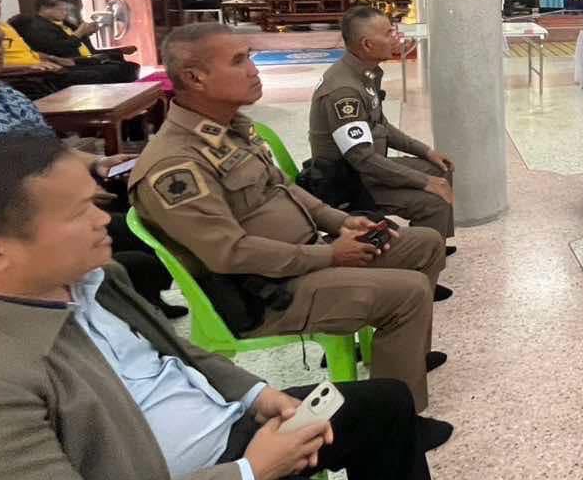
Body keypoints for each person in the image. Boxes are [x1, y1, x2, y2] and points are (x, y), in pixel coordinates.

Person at [0, 136, 454, 480]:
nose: (103, 220)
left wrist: (258, 395)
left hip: (216, 445)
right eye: (78, 213)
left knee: (384, 403)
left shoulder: (89, 280)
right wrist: (249, 474)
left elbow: (179, 355)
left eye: (96, 203)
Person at [129, 22, 452, 426]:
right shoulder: (175, 164)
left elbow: (288, 189)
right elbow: (230, 253)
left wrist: (343, 221)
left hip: (307, 255)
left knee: (423, 243)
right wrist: (329, 256)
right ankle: (395, 420)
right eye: (238, 61)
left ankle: (399, 358)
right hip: (266, 292)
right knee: (409, 291)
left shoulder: (231, 131)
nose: (254, 70)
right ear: (195, 78)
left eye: (249, 57)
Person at [0, 5, 181, 316]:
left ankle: (147, 305)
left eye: (0, 42)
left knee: (149, 211)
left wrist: (96, 162)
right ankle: (114, 311)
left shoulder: (7, 93)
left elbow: (48, 146)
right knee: (131, 249)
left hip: (56, 191)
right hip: (10, 214)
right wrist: (65, 192)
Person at [310, 7, 456, 241]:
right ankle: (424, 256)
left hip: (367, 169)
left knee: (441, 169)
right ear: (367, 44)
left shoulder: (364, 74)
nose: (396, 37)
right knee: (433, 201)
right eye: (388, 33)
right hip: (349, 182)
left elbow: (381, 126)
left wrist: (426, 151)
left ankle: (434, 245)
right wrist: (424, 182)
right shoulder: (344, 91)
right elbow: (362, 159)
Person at [10, 0, 140, 84]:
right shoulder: (37, 27)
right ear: (44, 8)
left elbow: (89, 49)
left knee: (129, 67)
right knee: (115, 71)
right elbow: (60, 49)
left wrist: (117, 49)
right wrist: (80, 33)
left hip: (88, 59)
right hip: (71, 63)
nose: (65, 13)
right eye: (61, 9)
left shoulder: (66, 23)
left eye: (66, 9)